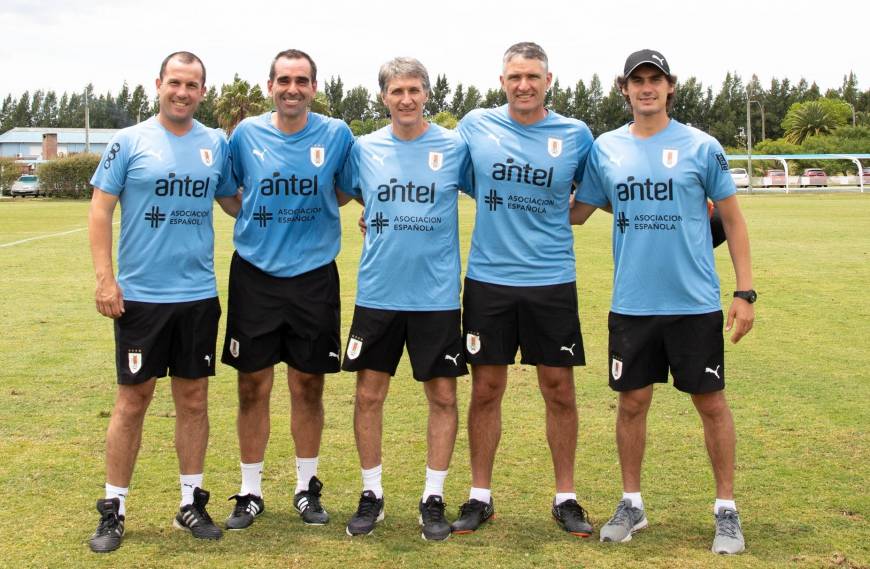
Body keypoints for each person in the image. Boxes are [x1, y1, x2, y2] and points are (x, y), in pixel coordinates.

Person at [571, 49, 755, 555]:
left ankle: (726, 511)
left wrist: (744, 292)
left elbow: (734, 221)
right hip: (632, 303)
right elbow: (579, 210)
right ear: (623, 89)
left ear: (670, 86)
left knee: (711, 403)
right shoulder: (605, 149)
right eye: (638, 81)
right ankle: (632, 503)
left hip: (694, 303)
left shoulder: (701, 146)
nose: (646, 87)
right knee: (632, 402)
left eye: (655, 79)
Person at [86, 51, 238, 552]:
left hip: (197, 296)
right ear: (159, 84)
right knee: (134, 400)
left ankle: (190, 503)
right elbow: (101, 211)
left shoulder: (216, 143)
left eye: (193, 85)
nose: (183, 92)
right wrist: (106, 280)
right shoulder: (129, 141)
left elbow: (237, 204)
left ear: (202, 91)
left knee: (193, 400)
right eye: (175, 82)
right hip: (142, 299)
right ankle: (114, 508)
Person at [450, 42, 595, 537]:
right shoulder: (475, 125)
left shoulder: (575, 134)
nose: (523, 85)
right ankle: (479, 496)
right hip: (488, 280)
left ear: (548, 81)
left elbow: (592, 194)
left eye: (533, 76)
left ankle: (566, 497)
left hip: (551, 280)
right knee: (487, 389)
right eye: (515, 76)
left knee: (559, 389)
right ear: (502, 81)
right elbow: (449, 176)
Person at [220, 49, 354, 530]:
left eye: (302, 80)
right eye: (284, 80)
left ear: (314, 88)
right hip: (255, 274)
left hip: (315, 275)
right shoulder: (246, 135)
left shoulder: (337, 134)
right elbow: (228, 191)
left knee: (308, 383)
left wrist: (318, 210)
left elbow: (345, 189)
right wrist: (257, 218)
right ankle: (250, 491)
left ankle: (306, 486)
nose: (292, 88)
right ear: (270, 85)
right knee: (252, 385)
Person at [339, 57, 470, 541]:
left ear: (427, 94)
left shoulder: (455, 147)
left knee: (442, 395)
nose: (407, 98)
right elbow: (352, 192)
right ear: (383, 97)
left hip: (435, 297)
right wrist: (373, 213)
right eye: (397, 91)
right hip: (378, 293)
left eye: (415, 89)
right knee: (369, 395)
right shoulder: (364, 148)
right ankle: (371, 493)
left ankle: (432, 497)